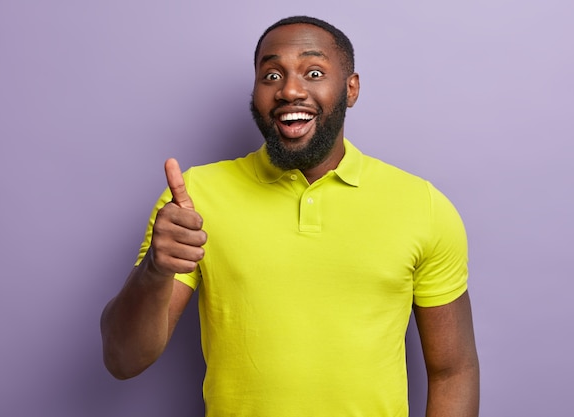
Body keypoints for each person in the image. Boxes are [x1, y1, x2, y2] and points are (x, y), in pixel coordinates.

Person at [101, 15, 479, 417]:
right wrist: (155, 271)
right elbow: (124, 360)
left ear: (350, 89)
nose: (290, 90)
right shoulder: (195, 199)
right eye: (271, 76)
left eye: (313, 72)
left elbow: (453, 372)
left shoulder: (421, 205)